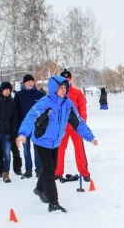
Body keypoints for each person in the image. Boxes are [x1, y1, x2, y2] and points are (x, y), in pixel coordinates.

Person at [16, 76, 98, 212]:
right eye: (60, 87)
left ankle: (39, 188)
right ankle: (53, 202)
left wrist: (90, 137)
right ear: (54, 89)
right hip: (42, 141)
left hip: (55, 142)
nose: (63, 90)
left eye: (65, 87)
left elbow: (77, 122)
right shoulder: (45, 102)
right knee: (49, 171)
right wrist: (23, 133)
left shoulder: (68, 104)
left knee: (51, 168)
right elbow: (30, 117)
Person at [54, 69, 92, 182]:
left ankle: (84, 173)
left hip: (76, 127)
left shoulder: (77, 93)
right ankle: (57, 172)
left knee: (79, 150)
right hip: (62, 128)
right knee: (59, 150)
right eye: (64, 80)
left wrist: (82, 124)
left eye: (68, 80)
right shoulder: (56, 94)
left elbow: (83, 109)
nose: (66, 82)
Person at [15, 74, 45, 179]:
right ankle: (28, 170)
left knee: (37, 149)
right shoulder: (19, 95)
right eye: (28, 82)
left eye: (32, 82)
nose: (30, 84)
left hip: (36, 126)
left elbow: (44, 110)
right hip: (24, 126)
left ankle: (39, 169)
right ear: (24, 83)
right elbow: (16, 112)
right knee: (26, 149)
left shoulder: (39, 94)